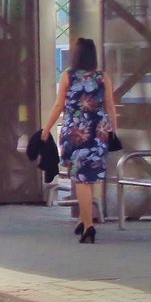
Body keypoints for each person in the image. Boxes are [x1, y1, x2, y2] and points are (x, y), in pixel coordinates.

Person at [41, 37, 119, 244]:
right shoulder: (103, 77)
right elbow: (110, 106)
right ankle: (83, 221)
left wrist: (46, 129)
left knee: (81, 181)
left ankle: (89, 226)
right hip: (99, 131)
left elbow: (59, 106)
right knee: (87, 179)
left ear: (76, 54)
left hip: (75, 131)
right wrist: (113, 130)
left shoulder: (69, 75)